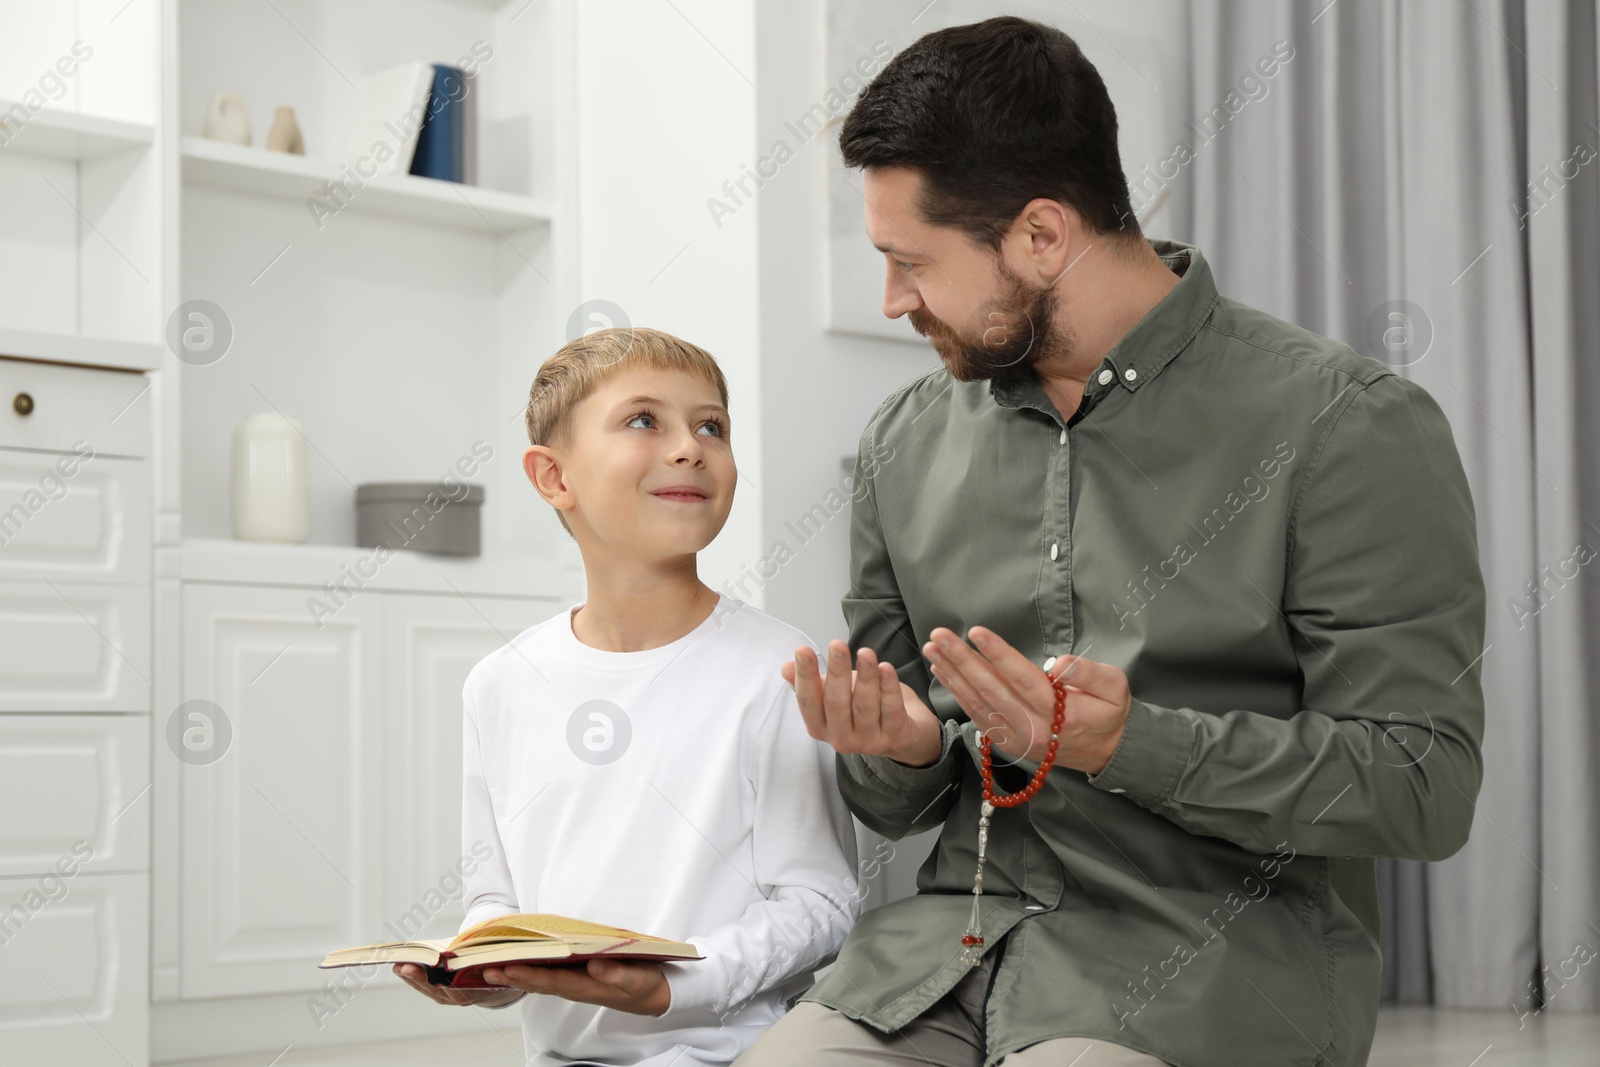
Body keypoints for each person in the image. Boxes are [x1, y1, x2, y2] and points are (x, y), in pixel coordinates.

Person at [737, 15, 1485, 1067]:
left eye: (912, 263)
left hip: (1207, 964)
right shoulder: (905, 441)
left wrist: (1121, 742)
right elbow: (896, 801)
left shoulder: (1344, 423)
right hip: (943, 956)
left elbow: (1422, 779)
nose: (893, 299)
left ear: (1042, 235)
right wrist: (902, 749)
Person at [395, 326, 861, 1067]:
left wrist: (673, 985)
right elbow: (496, 897)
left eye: (712, 425)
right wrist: (486, 964)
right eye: (645, 420)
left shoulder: (776, 668)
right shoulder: (501, 683)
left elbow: (820, 903)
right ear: (553, 478)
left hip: (731, 1054)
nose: (690, 446)